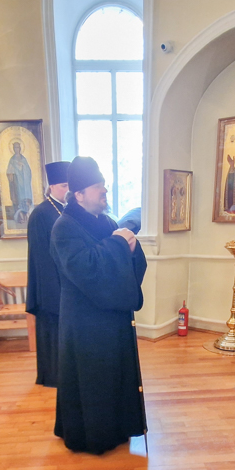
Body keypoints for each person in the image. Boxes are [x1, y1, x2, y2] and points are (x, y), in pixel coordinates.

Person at [50, 156, 147, 454]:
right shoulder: (64, 227)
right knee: (92, 379)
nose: (105, 190)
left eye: (104, 184)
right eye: (97, 186)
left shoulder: (107, 222)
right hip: (84, 322)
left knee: (114, 376)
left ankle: (119, 427)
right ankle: (93, 437)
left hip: (113, 318)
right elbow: (85, 267)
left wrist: (132, 248)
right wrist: (118, 244)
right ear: (79, 194)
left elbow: (122, 259)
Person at [25, 160, 69, 388]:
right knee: (51, 333)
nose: (67, 190)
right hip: (49, 286)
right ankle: (51, 377)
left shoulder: (63, 209)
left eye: (70, 186)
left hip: (63, 283)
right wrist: (55, 289)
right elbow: (41, 257)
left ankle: (64, 374)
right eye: (63, 186)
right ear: (52, 186)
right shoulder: (41, 213)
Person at [6, 141, 34, 225]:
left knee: (25, 198)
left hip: (24, 183)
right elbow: (9, 172)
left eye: (18, 147)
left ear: (20, 148)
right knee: (17, 198)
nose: (16, 149)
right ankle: (19, 217)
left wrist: (23, 166)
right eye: (15, 147)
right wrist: (12, 173)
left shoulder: (23, 159)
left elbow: (28, 171)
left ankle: (28, 215)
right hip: (16, 184)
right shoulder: (12, 160)